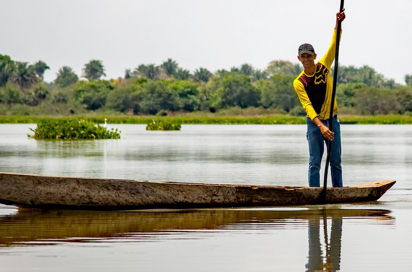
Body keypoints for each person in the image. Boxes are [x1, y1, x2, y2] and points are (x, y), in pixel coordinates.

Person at [293, 10, 346, 187]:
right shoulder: (299, 82)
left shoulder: (324, 66)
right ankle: (314, 198)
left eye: (309, 55)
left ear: (314, 56)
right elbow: (307, 106)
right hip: (314, 124)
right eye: (303, 56)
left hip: (332, 121)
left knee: (335, 162)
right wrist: (321, 126)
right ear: (299, 59)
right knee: (314, 163)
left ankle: (338, 193)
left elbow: (334, 45)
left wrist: (338, 24)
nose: (307, 59)